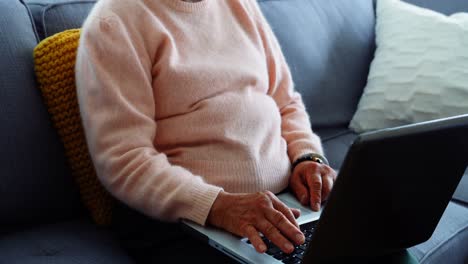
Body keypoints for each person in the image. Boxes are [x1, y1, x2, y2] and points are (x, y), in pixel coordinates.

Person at [76, 0, 337, 261]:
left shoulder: (240, 4)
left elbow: (285, 101)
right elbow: (124, 159)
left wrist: (307, 156)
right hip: (186, 224)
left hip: (282, 205)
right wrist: (217, 206)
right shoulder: (114, 21)